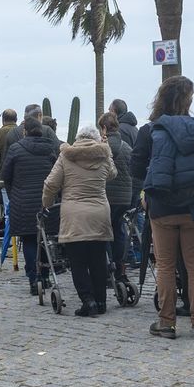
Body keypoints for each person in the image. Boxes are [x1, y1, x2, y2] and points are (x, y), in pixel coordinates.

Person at [138, 76, 194, 341]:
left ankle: (167, 322)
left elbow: (135, 168)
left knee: (165, 265)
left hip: (162, 206)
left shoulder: (151, 130)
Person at [42, 126, 115, 317]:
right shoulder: (103, 156)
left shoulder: (66, 156)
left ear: (77, 138)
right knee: (98, 259)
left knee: (78, 261)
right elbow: (113, 173)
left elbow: (51, 183)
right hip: (99, 213)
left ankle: (88, 300)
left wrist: (46, 203)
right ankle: (101, 301)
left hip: (73, 215)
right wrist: (107, 149)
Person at [2, 116, 59, 294]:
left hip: (22, 202)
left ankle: (34, 280)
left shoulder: (16, 149)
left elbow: (6, 175)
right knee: (44, 239)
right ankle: (46, 275)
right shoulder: (50, 149)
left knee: (28, 239)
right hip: (45, 202)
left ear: (24, 131)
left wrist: (13, 194)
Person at [98, 112, 135, 283]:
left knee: (104, 232)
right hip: (124, 199)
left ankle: (107, 268)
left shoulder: (100, 148)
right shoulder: (127, 147)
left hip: (105, 197)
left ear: (104, 128)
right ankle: (120, 267)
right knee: (119, 230)